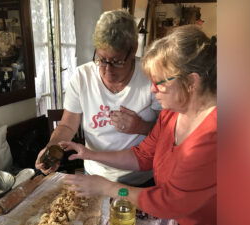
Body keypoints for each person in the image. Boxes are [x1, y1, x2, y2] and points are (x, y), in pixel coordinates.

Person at [61, 24, 217, 225]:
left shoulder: (214, 134)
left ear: (191, 82)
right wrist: (89, 154)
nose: (152, 90)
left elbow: (169, 202)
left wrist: (106, 187)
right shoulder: (170, 114)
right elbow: (141, 156)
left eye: (160, 82)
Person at [35, 9, 161, 186]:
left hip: (140, 177)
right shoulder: (82, 77)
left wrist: (141, 126)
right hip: (95, 176)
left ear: (133, 51)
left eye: (117, 61)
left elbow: (169, 132)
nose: (108, 70)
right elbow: (67, 124)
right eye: (102, 59)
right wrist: (52, 147)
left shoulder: (151, 75)